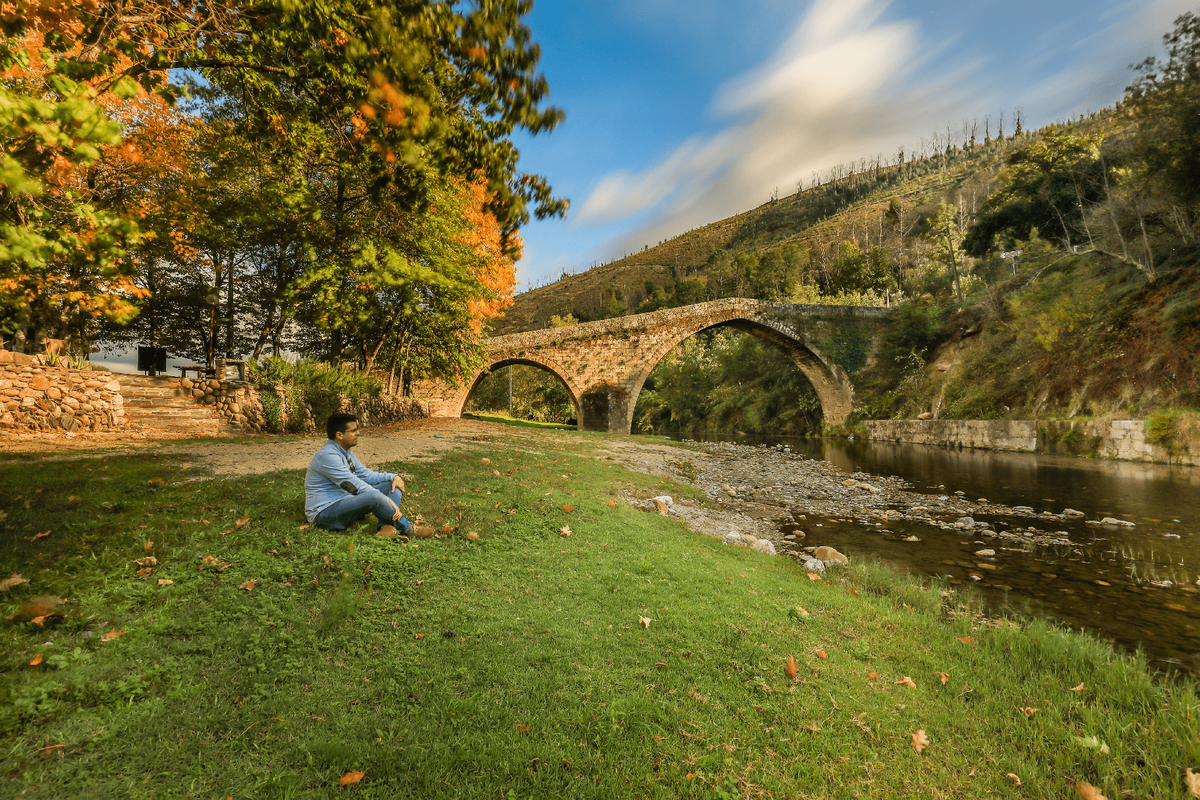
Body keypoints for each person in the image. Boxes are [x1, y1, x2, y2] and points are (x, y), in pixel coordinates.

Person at [305, 412, 433, 539]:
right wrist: (386, 500)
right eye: (353, 430)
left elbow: (366, 475)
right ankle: (408, 529)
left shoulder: (345, 452)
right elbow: (354, 485)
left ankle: (386, 528)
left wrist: (393, 477)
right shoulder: (327, 456)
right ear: (339, 435)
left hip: (344, 501)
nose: (358, 433)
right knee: (374, 497)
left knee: (392, 485)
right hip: (324, 513)